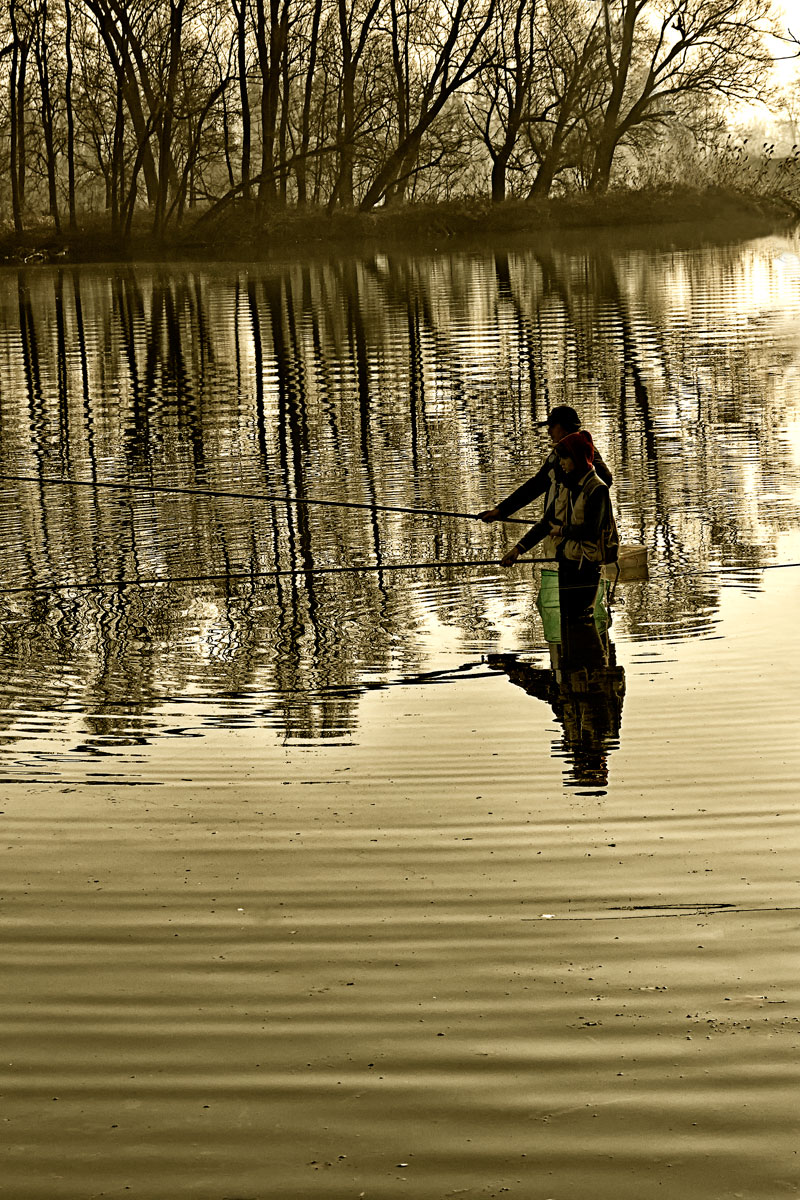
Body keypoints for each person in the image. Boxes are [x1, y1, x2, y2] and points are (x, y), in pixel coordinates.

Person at [499, 429, 615, 622]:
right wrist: (518, 549)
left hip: (587, 567)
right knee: (567, 620)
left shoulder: (597, 489)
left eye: (564, 459)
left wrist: (561, 531)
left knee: (582, 620)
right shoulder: (565, 487)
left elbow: (592, 531)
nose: (561, 464)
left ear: (577, 459)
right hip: (567, 562)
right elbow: (546, 523)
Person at [477, 405, 612, 544]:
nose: (548, 431)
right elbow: (536, 485)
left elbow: (605, 479)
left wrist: (574, 510)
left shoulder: (584, 452)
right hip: (561, 533)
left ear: (564, 427)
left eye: (552, 426)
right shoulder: (558, 455)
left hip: (578, 539)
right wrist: (501, 511)